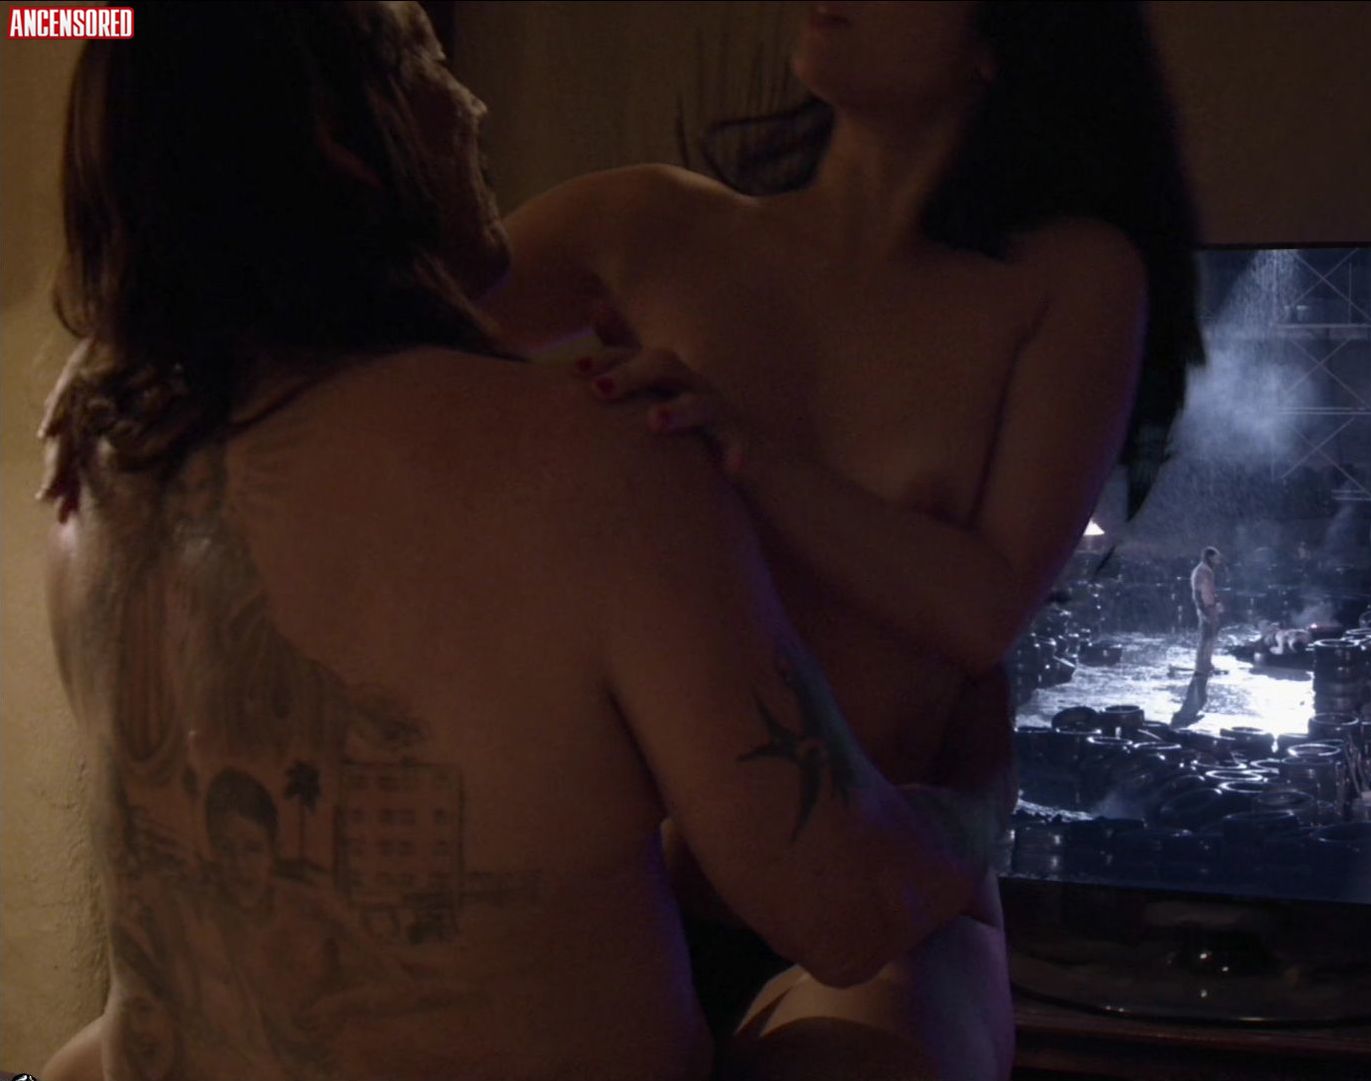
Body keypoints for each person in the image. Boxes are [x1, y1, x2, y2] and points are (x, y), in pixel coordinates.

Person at [34, 4, 1000, 1079]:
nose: (472, 106)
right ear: (340, 138)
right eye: (425, 66)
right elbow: (841, 905)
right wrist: (978, 805)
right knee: (932, 959)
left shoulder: (93, 466)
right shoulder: (599, 448)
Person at [482, 3, 1202, 1076]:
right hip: (628, 899)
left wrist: (751, 452)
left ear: (999, 36)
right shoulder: (644, 224)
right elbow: (357, 346)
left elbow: (983, 606)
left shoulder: (1066, 278)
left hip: (892, 906)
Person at [1173, 546, 1224, 724]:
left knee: (1210, 637)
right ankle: (1201, 665)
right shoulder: (1201, 572)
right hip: (1206, 608)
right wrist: (1203, 611)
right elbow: (1197, 593)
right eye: (1216, 557)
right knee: (1206, 637)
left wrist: (1216, 604)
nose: (1219, 560)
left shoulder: (1208, 571)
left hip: (1210, 607)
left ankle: (1205, 663)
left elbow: (1211, 591)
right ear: (1209, 557)